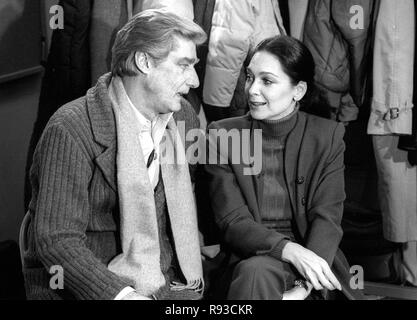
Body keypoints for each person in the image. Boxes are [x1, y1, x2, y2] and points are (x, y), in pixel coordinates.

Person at [22, 9, 207, 300]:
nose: (195, 80)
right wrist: (123, 296)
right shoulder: (71, 127)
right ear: (143, 61)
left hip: (165, 280)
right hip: (84, 286)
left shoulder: (183, 118)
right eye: (184, 65)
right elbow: (56, 242)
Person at [204, 35, 364, 300]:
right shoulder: (221, 135)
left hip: (316, 264)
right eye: (249, 77)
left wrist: (303, 287)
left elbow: (327, 217)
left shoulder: (327, 135)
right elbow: (232, 221)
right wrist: (289, 250)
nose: (252, 89)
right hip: (249, 259)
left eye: (266, 81)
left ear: (298, 90)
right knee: (256, 273)